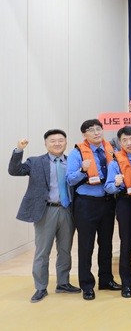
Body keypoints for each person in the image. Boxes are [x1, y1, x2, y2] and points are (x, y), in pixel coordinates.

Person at [8, 129, 80, 302]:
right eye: (53, 141)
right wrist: (19, 150)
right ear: (45, 144)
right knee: (42, 251)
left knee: (65, 250)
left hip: (67, 210)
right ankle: (40, 287)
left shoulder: (72, 162)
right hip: (45, 211)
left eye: (60, 140)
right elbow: (14, 170)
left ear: (66, 142)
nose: (57, 143)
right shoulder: (35, 162)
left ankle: (63, 283)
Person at [65, 119, 120, 300]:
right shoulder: (76, 153)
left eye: (99, 129)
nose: (96, 133)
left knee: (106, 243)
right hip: (86, 204)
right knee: (86, 245)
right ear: (84, 134)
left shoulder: (110, 150)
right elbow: (70, 180)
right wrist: (82, 170)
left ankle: (106, 280)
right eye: (91, 130)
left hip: (107, 202)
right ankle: (87, 285)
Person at [103, 126, 131, 298]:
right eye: (124, 140)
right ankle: (127, 283)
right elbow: (108, 188)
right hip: (126, 204)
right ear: (120, 142)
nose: (129, 143)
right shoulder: (115, 162)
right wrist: (117, 183)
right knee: (126, 244)